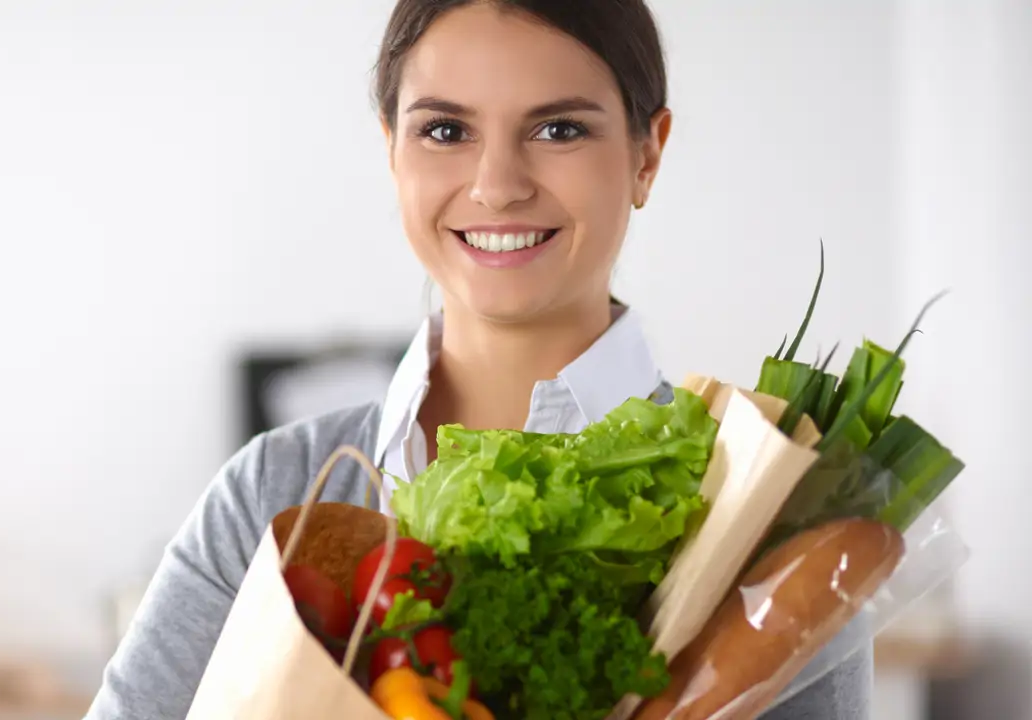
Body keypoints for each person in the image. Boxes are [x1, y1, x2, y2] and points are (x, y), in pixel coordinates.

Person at [84, 1, 873, 718]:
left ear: (647, 155)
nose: (497, 187)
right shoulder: (273, 495)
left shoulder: (767, 519)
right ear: (392, 150)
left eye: (559, 129)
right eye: (445, 131)